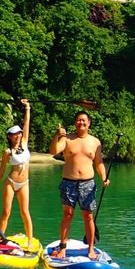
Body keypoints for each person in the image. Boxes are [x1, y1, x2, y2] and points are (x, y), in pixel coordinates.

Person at [48, 111, 109, 260]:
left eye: (84, 120)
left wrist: (104, 177)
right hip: (68, 182)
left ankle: (91, 249)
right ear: (75, 123)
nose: (81, 123)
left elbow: (99, 162)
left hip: (88, 183)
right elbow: (53, 151)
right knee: (67, 215)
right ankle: (63, 248)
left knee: (88, 216)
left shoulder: (95, 142)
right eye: (78, 120)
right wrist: (57, 135)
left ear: (89, 123)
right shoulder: (67, 139)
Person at [0, 99, 33, 247]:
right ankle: (0, 239)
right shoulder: (7, 151)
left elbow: (26, 125)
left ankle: (29, 241)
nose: (19, 136)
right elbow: (2, 169)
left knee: (25, 212)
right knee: (6, 212)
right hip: (11, 182)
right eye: (15, 134)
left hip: (24, 183)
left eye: (19, 134)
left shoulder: (24, 143)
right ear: (10, 136)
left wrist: (27, 108)